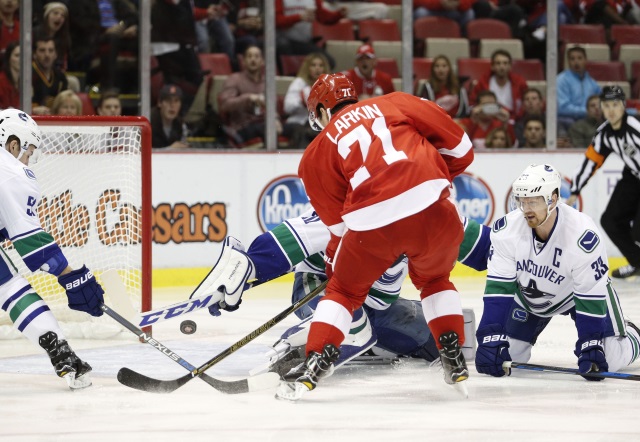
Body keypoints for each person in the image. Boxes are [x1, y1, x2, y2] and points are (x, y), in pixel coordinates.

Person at [276, 73, 473, 400]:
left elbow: (339, 230)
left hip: (374, 227)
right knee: (436, 279)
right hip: (436, 208)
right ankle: (452, 354)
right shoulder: (397, 102)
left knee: (343, 291)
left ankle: (315, 363)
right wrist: (420, 183)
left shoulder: (315, 153)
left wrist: (338, 268)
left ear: (323, 110)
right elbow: (462, 150)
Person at [198, 208, 489, 379]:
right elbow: (290, 239)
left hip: (376, 303)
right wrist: (247, 272)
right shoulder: (353, 208)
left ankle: (371, 342)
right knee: (352, 327)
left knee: (436, 342)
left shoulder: (431, 209)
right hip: (322, 285)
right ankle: (303, 343)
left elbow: (491, 249)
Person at [475, 163, 640, 380]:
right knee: (508, 356)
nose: (526, 209)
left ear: (552, 199)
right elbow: (499, 289)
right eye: (522, 201)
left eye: (533, 201)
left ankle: (634, 337)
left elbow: (589, 294)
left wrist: (590, 342)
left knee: (608, 358)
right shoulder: (506, 230)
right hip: (530, 299)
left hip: (576, 296)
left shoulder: (582, 235)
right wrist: (489, 335)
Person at [0, 109, 106, 389]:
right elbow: (32, 245)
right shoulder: (11, 172)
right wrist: (72, 277)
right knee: (10, 287)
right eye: (28, 151)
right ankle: (60, 351)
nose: (28, 158)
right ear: (13, 144)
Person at [567, 86, 640, 279]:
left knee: (638, 231)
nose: (611, 110)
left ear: (624, 106)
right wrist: (575, 190)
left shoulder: (635, 126)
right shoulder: (604, 134)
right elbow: (590, 162)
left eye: (615, 104)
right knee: (610, 221)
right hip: (634, 175)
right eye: (606, 105)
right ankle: (637, 262)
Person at [67, 0, 139, 92]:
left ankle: (139, 87)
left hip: (118, 36)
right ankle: (108, 87)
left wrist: (121, 27)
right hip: (94, 40)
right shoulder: (80, 2)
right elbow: (81, 22)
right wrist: (106, 30)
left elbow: (132, 16)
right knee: (111, 39)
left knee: (140, 38)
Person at [218, 45, 282, 149]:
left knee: (296, 129)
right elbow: (224, 105)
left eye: (256, 56)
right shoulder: (234, 79)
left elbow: (273, 106)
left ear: (262, 61)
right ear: (243, 61)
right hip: (242, 127)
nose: (253, 59)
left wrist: (275, 119)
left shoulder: (267, 82)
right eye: (249, 56)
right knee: (267, 129)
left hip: (264, 122)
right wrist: (247, 98)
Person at [282, 52, 331, 149]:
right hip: (296, 122)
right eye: (313, 65)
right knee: (303, 131)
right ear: (307, 68)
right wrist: (301, 101)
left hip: (318, 124)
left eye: (320, 65)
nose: (317, 68)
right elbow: (287, 107)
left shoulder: (329, 85)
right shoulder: (299, 83)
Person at [469, 49, 528, 118]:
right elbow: (472, 104)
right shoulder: (482, 82)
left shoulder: (520, 83)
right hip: (489, 119)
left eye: (505, 63)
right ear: (492, 66)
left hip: (514, 120)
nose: (502, 67)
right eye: (498, 63)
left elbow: (525, 104)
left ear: (510, 66)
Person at [557, 46, 601, 135]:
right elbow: (562, 108)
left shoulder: (592, 82)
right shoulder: (561, 80)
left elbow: (602, 101)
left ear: (585, 60)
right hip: (568, 121)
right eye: (572, 59)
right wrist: (588, 112)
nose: (576, 62)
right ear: (568, 61)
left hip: (589, 121)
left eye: (579, 58)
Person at [419, 54, 469, 119]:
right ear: (433, 69)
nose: (441, 69)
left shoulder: (459, 87)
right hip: (436, 121)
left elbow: (464, 111)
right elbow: (424, 110)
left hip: (456, 122)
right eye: (437, 66)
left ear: (449, 68)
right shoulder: (428, 87)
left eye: (444, 66)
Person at [32, 34, 69, 116]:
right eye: (42, 50)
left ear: (56, 54)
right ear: (34, 54)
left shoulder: (61, 77)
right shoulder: (27, 76)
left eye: (51, 50)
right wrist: (32, 110)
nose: (47, 55)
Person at [33, 2, 71, 70]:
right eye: (55, 13)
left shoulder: (64, 39)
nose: (59, 17)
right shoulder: (34, 34)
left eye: (63, 15)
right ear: (46, 16)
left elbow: (63, 64)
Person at [151, 84, 190, 149]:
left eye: (176, 101)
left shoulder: (181, 125)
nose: (172, 105)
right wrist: (170, 149)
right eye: (168, 101)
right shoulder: (148, 122)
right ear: (159, 103)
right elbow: (137, 152)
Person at [0, 40, 19, 110]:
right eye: (17, 55)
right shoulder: (1, 81)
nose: (21, 59)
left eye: (24, 56)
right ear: (9, 58)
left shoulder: (26, 81)